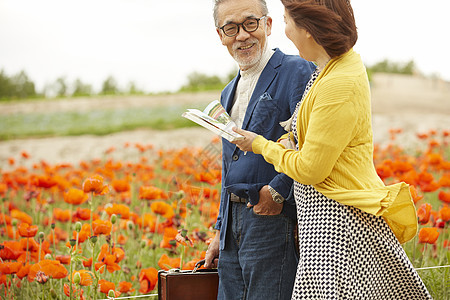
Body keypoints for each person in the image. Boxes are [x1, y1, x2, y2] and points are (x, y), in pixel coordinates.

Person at [232, 0, 432, 298]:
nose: (285, 30)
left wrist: (259, 145)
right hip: (328, 220)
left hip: (336, 223)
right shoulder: (331, 68)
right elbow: (320, 138)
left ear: (308, 30)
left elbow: (311, 169)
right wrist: (291, 141)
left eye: (287, 21)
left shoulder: (338, 81)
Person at [203, 0, 315, 299]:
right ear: (220, 35)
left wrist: (277, 193)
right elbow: (229, 165)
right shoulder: (228, 91)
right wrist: (219, 231)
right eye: (231, 28)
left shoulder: (297, 71)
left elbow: (308, 145)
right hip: (231, 227)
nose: (242, 35)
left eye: (250, 23)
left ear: (267, 24)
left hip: (272, 218)